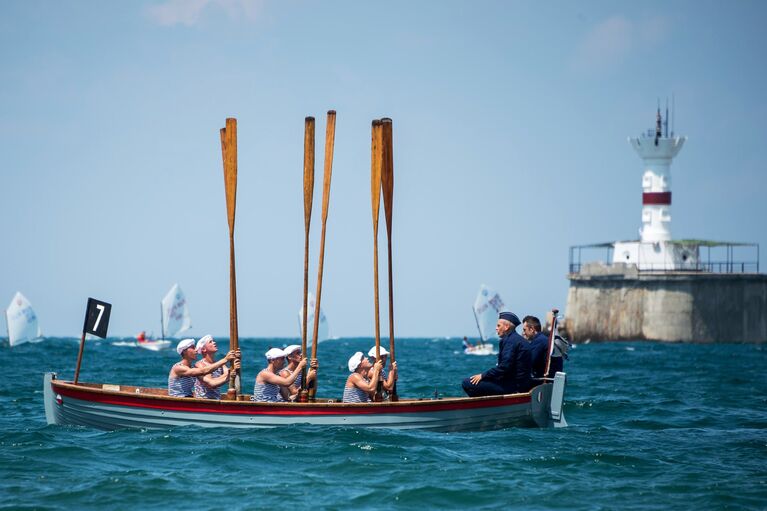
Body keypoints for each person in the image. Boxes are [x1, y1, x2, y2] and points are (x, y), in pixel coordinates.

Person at [461, 311, 531, 397]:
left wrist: (483, 376)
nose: (496, 328)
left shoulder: (510, 341)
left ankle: (484, 406)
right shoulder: (517, 339)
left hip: (512, 387)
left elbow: (504, 367)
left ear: (506, 327)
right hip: (518, 384)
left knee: (467, 383)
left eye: (498, 325)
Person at [168, 338, 238, 397]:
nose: (196, 350)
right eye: (193, 348)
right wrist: (225, 359)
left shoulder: (193, 368)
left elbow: (211, 382)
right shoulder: (178, 368)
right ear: (185, 351)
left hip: (189, 399)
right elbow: (204, 371)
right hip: (179, 400)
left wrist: (231, 371)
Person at [193, 334, 241, 399]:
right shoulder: (199, 365)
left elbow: (229, 374)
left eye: (213, 341)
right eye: (210, 342)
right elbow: (212, 384)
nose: (214, 342)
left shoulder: (220, 365)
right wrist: (229, 373)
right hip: (203, 401)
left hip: (216, 399)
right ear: (204, 349)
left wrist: (236, 361)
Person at [523, 315, 550, 380]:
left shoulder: (538, 341)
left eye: (524, 330)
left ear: (532, 329)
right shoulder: (544, 339)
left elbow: (530, 362)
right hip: (550, 379)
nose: (523, 333)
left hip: (541, 381)